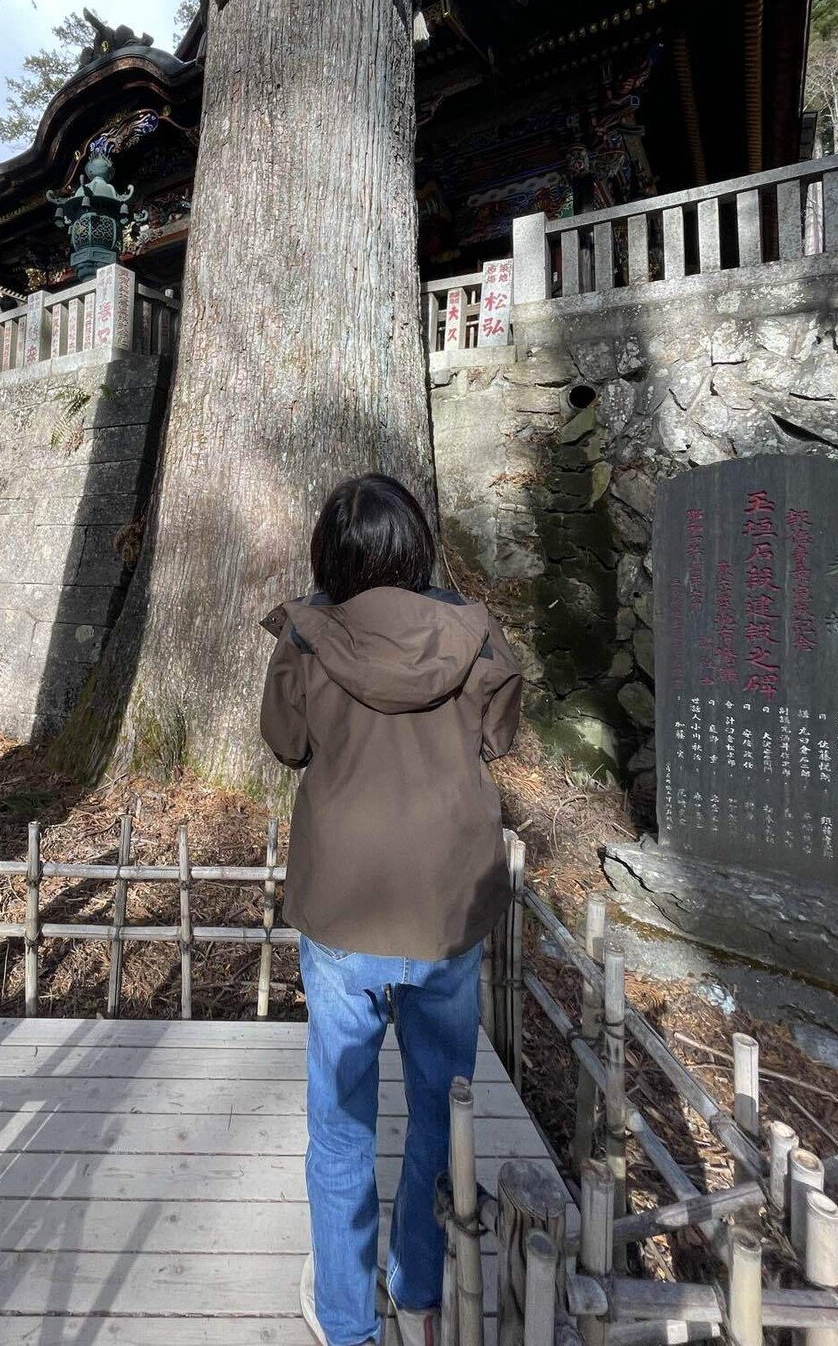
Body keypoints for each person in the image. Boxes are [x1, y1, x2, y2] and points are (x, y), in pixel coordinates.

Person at [260, 474, 523, 1346]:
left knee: (341, 1124)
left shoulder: (308, 637)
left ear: (329, 554)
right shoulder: (472, 632)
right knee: (442, 1106)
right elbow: (500, 735)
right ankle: (417, 1285)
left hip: (344, 908)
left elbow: (285, 742)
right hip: (447, 906)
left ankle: (346, 1318)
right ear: (416, 544)